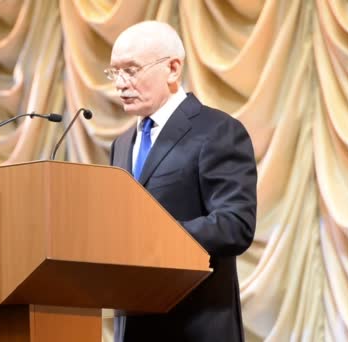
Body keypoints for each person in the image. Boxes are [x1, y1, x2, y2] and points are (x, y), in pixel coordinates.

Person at [108, 21, 257, 341]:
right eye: (114, 72)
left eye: (131, 70)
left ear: (173, 69)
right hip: (133, 326)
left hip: (196, 326)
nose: (120, 84)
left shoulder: (217, 131)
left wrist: (152, 237)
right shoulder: (122, 144)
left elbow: (235, 225)